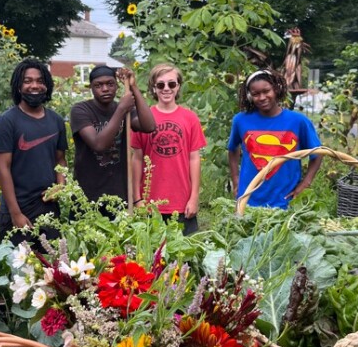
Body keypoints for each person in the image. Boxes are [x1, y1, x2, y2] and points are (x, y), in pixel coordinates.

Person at [0, 57, 67, 247]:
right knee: (20, 272)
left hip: (49, 210)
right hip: (18, 209)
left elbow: (61, 160)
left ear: (47, 86)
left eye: (40, 81)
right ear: (18, 86)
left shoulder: (56, 121)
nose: (35, 85)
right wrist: (15, 213)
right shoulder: (7, 122)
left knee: (53, 271)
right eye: (28, 81)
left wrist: (60, 186)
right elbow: (2, 168)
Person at [227, 68, 322, 209]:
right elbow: (232, 149)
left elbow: (317, 154)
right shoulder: (241, 120)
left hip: (285, 201)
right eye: (255, 94)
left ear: (276, 89)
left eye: (266, 91)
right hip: (248, 200)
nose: (262, 97)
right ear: (249, 96)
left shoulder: (297, 121)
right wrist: (236, 180)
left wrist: (305, 184)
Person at [131, 63, 206, 235]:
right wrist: (137, 199)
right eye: (160, 84)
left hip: (181, 203)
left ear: (178, 86)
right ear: (154, 88)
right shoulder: (143, 118)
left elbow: (194, 159)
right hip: (150, 204)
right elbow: (136, 158)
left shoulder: (190, 118)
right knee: (150, 257)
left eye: (171, 84)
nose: (166, 88)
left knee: (185, 257)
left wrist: (194, 198)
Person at [69, 65, 156, 206]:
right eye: (98, 85)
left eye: (110, 84)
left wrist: (134, 88)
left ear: (116, 86)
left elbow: (149, 126)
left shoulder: (124, 110)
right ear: (91, 87)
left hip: (119, 192)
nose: (105, 89)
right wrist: (121, 109)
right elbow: (98, 145)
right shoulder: (81, 110)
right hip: (87, 195)